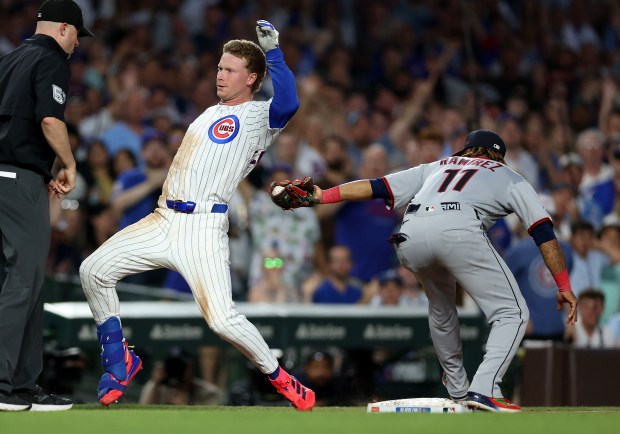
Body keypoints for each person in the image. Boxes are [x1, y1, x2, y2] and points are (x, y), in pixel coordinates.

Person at [79, 20, 315, 410]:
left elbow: (288, 103)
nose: (220, 75)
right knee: (93, 270)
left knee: (222, 321)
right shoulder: (209, 112)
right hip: (163, 219)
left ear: (252, 77)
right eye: (219, 68)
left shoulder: (258, 117)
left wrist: (274, 54)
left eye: (229, 70)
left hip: (204, 227)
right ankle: (119, 361)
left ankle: (283, 378)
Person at [305, 129, 578, 412]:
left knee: (441, 308)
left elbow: (376, 187)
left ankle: (459, 391)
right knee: (512, 312)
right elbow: (543, 232)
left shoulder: (438, 166)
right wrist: (563, 285)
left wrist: (322, 195)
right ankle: (485, 389)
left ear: (466, 150)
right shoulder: (509, 176)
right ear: (498, 156)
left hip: (409, 235)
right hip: (458, 231)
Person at [0, 0, 93, 412]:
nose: (76, 44)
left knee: (16, 282)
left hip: (11, 176)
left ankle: (21, 386)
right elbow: (50, 120)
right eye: (76, 35)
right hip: (17, 182)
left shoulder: (11, 58)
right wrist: (69, 164)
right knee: (25, 282)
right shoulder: (52, 58)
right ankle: (8, 386)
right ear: (63, 30)